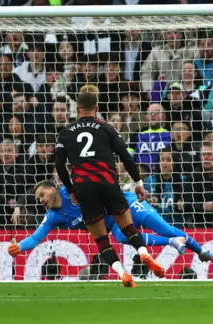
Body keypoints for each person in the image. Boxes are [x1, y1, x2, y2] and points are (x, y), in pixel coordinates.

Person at [52, 91, 163, 288]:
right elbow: (126, 157)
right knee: (128, 227)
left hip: (84, 187)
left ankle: (122, 274)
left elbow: (60, 166)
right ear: (96, 109)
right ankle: (144, 253)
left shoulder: (66, 132)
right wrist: (138, 182)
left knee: (101, 238)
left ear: (77, 110)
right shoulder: (107, 128)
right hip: (108, 183)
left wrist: (70, 190)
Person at [7, 181, 213, 265]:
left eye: (41, 195)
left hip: (126, 205)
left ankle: (202, 251)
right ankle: (172, 242)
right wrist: (20, 247)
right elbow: (36, 237)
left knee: (164, 227)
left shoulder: (72, 190)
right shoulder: (53, 217)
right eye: (38, 199)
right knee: (122, 237)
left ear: (52, 188)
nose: (41, 201)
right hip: (112, 223)